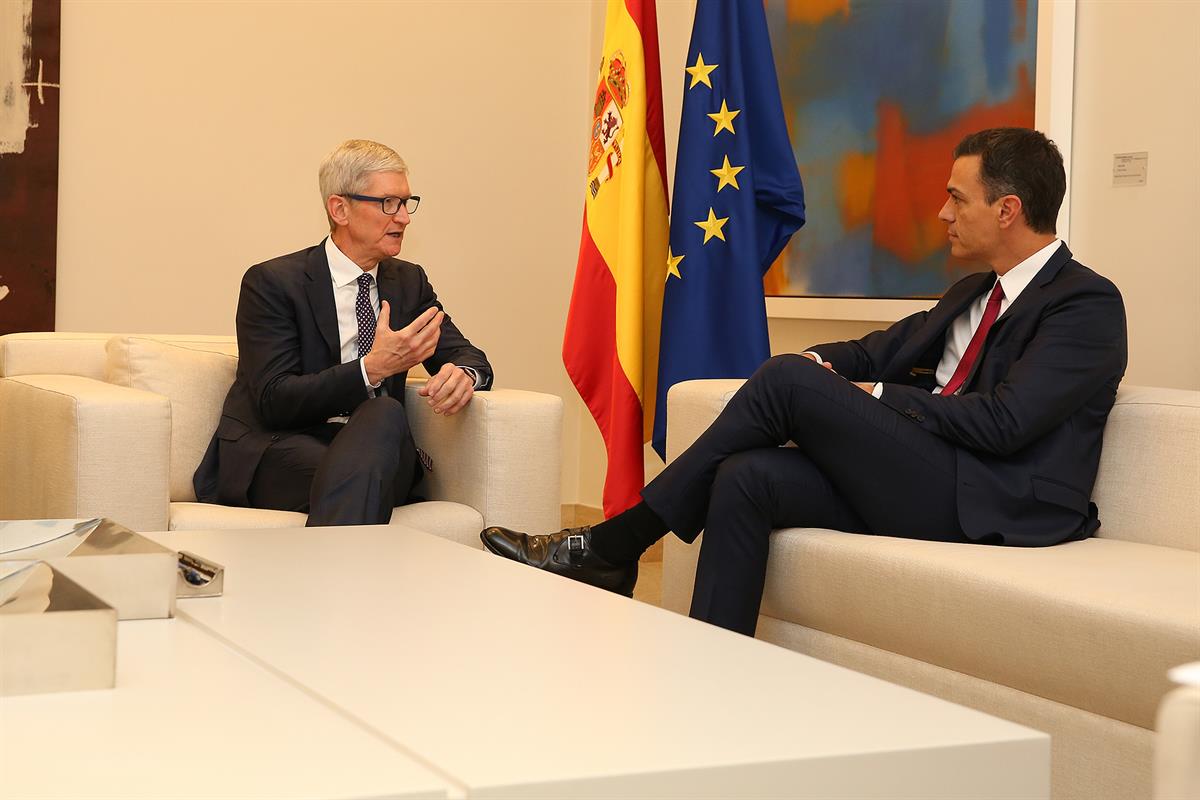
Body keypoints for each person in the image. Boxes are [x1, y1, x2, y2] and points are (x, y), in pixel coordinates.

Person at [482, 127, 1127, 636]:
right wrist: (829, 368)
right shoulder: (972, 293)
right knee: (748, 476)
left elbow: (1005, 423)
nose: (941, 211)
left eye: (957, 197)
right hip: (931, 475)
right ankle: (710, 676)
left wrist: (867, 397)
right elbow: (873, 351)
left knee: (788, 380)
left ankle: (613, 544)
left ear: (1008, 208)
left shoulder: (1084, 303)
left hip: (995, 496)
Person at [194, 139, 492, 526]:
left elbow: (467, 354)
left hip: (377, 447)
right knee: (361, 473)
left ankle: (327, 579)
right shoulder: (273, 283)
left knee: (383, 414)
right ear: (340, 209)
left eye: (406, 202)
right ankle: (349, 574)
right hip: (282, 447)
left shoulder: (408, 282)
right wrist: (371, 369)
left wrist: (464, 374)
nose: (403, 218)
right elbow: (274, 399)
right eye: (388, 203)